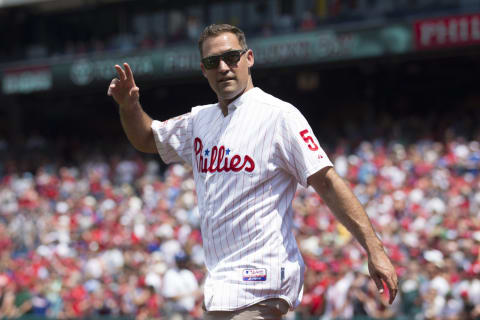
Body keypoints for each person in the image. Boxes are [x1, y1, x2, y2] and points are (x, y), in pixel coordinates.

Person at [107, 23, 398, 320]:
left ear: (249, 58)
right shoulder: (199, 120)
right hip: (222, 286)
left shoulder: (278, 116)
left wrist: (374, 249)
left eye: (231, 57)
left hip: (262, 280)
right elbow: (146, 138)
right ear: (203, 70)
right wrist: (129, 106)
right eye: (212, 62)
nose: (223, 67)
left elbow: (327, 181)